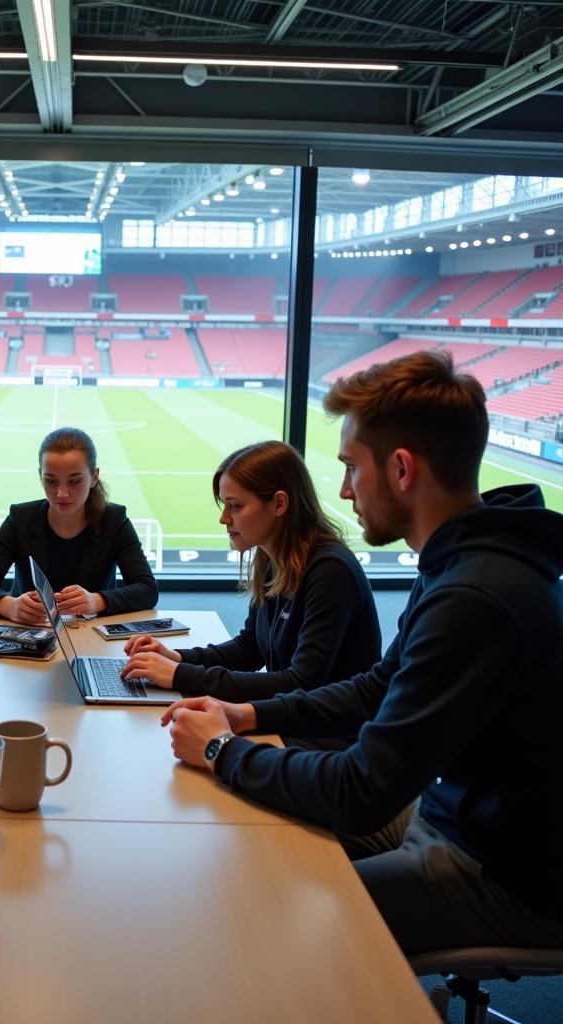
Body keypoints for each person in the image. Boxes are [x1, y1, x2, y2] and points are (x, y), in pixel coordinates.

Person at [162, 350, 563, 955]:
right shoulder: (461, 563)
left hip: (501, 875)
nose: (344, 490)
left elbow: (360, 789)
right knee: (251, 845)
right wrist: (247, 717)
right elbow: (378, 685)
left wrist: (221, 749)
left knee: (257, 914)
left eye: (351, 468)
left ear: (402, 469)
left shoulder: (474, 595)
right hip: (448, 818)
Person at [120, 440, 380, 711]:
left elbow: (300, 683)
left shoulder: (331, 571)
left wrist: (179, 675)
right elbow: (251, 647)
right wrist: (176, 658)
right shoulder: (271, 556)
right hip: (296, 719)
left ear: (279, 504)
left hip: (334, 735)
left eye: (235, 505)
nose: (224, 518)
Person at [0, 427, 158, 623]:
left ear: (94, 477)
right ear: (40, 476)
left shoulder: (114, 520)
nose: (62, 493)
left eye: (74, 481)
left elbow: (147, 589)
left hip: (93, 637)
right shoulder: (21, 518)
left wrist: (96, 601)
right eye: (51, 481)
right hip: (28, 636)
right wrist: (10, 606)